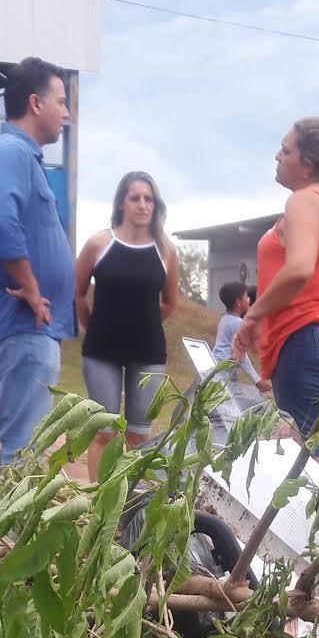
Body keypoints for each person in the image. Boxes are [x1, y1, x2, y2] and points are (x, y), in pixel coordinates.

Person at [0, 56, 74, 464]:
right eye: (61, 101)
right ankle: (7, 529)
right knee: (19, 452)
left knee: (17, 444)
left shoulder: (23, 157)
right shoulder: (11, 152)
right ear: (35, 103)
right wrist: (29, 286)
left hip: (30, 327)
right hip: (19, 320)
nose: (67, 113)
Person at [231, 117, 319, 437]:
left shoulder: (304, 200)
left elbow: (299, 268)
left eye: (285, 150)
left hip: (306, 341)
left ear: (306, 165)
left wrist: (253, 317)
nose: (277, 156)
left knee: (312, 455)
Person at [75, 171, 180, 476]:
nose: (142, 205)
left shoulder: (165, 250)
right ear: (122, 202)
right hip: (100, 353)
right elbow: (79, 295)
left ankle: (132, 509)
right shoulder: (98, 244)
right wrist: (94, 327)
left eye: (148, 199)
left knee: (138, 436)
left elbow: (169, 303)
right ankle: (99, 504)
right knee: (105, 433)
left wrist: (143, 324)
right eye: (135, 198)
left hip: (148, 354)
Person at [212, 282, 263, 387]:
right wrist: (257, 380)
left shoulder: (224, 319)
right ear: (239, 302)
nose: (249, 300)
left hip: (218, 366)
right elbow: (242, 356)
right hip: (224, 370)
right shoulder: (238, 323)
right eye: (247, 296)